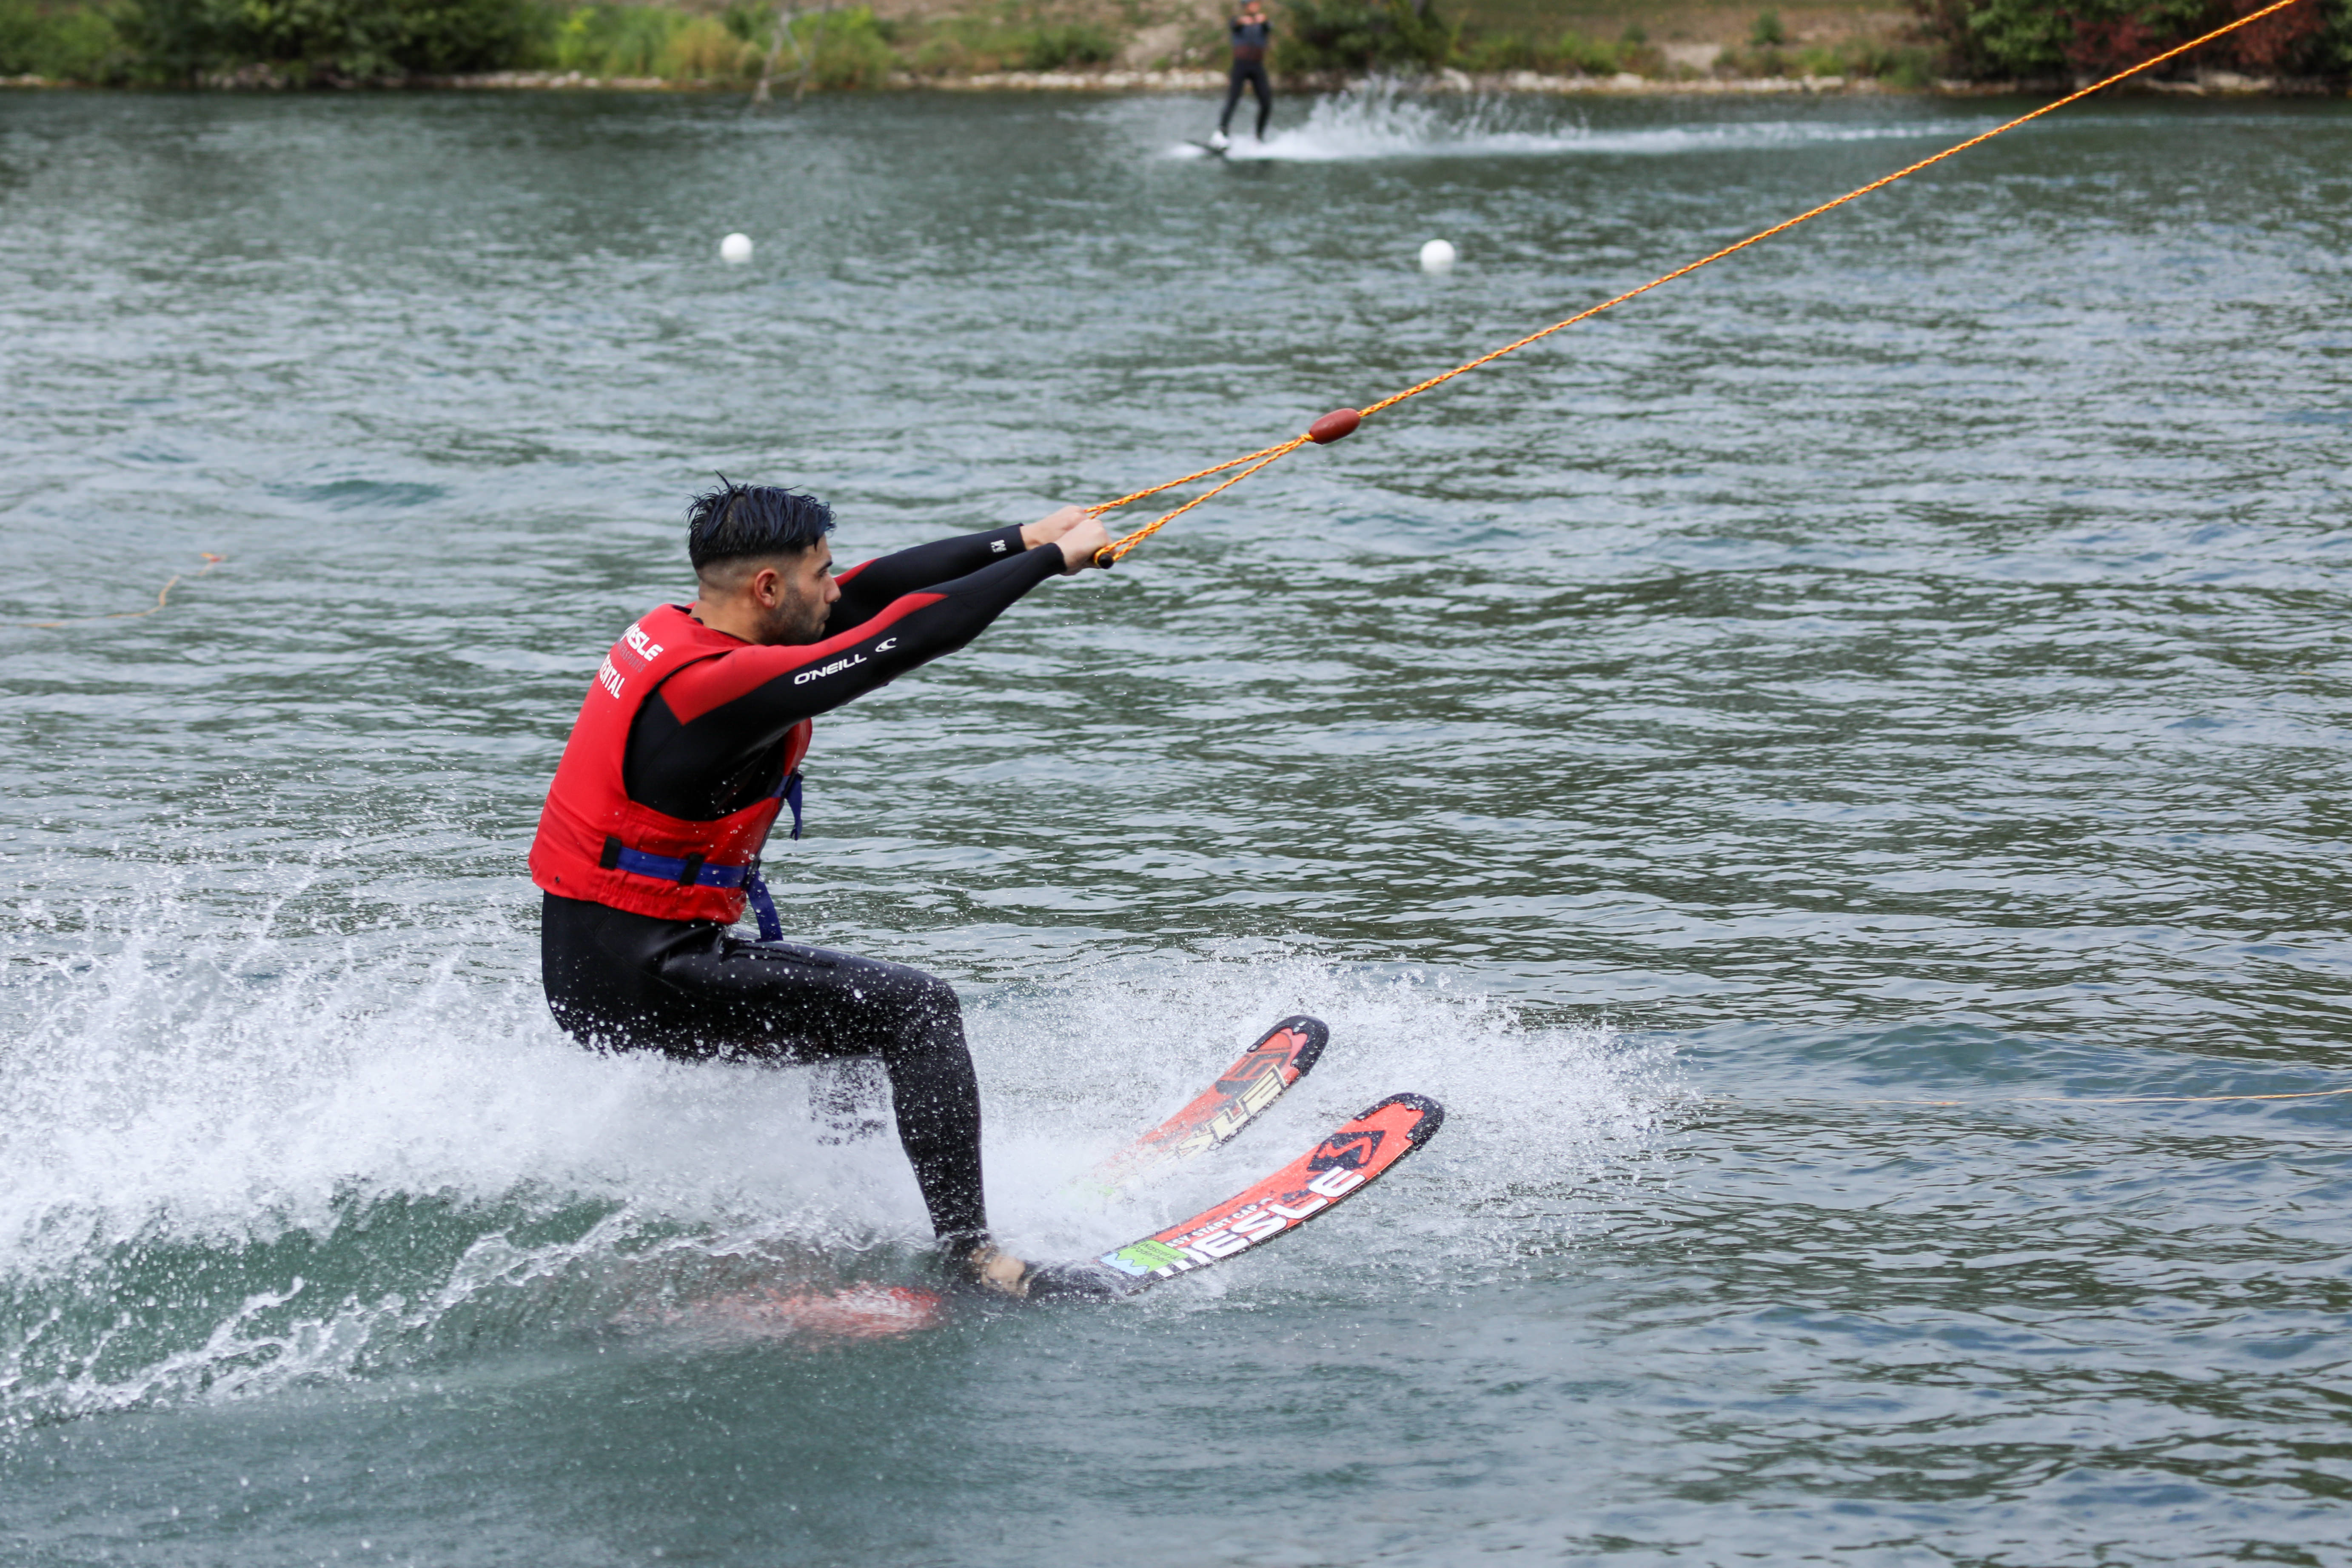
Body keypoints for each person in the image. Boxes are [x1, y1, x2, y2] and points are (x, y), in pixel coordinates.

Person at [530, 481, 1117, 1300]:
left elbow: (875, 590)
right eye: (820, 573)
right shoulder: (718, 688)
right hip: (640, 975)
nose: (835, 589)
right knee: (915, 1010)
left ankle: (844, 1211)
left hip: (599, 955)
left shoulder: (685, 633)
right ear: (769, 587)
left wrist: (1021, 537)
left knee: (858, 1019)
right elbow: (902, 638)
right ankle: (977, 1261)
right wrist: (1053, 560)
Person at [1214, 0, 1273, 148]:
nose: (1254, 6)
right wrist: (1243, 21)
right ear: (1246, 7)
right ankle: (1222, 134)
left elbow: (1268, 27)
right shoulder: (1238, 22)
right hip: (1241, 65)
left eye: (1256, 4)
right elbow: (1234, 25)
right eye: (1251, 4)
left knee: (1266, 102)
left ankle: (1259, 137)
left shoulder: (1263, 23)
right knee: (1233, 99)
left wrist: (1263, 21)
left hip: (1257, 66)